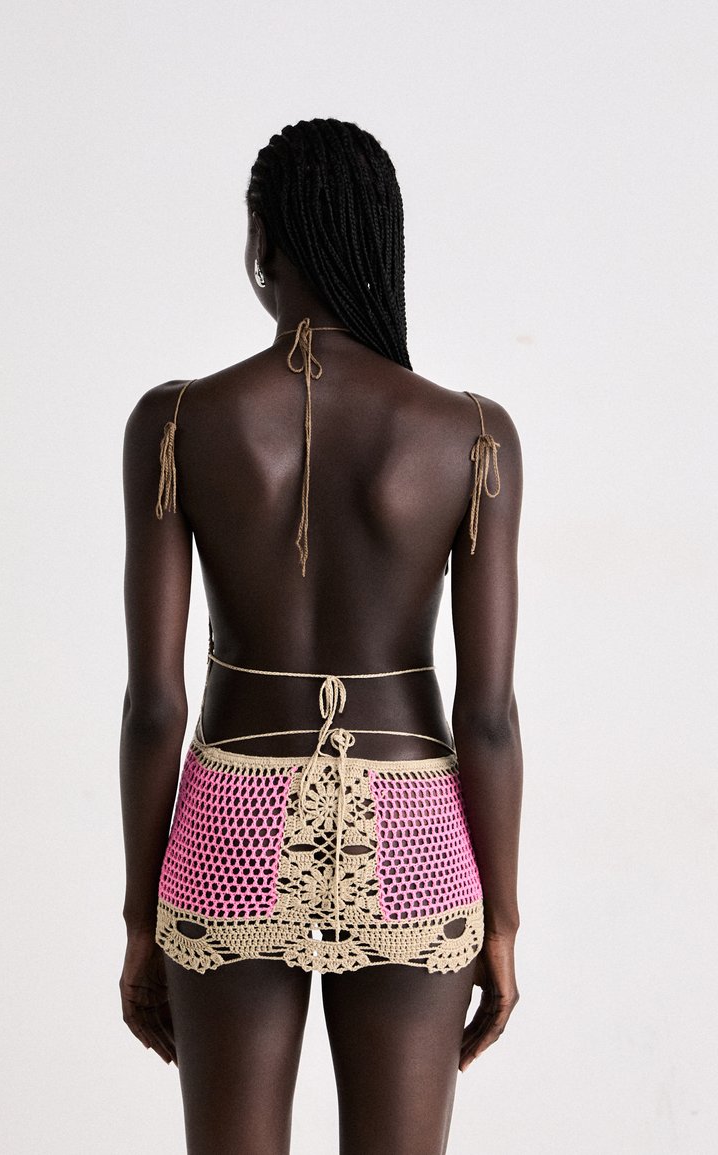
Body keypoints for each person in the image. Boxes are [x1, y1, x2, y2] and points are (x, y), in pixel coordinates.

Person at [119, 118, 522, 1155]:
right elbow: (486, 713)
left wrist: (138, 917)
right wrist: (503, 921)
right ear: (378, 241)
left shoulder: (176, 422)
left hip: (231, 822)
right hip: (413, 829)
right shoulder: (470, 433)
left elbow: (155, 704)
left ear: (263, 240)